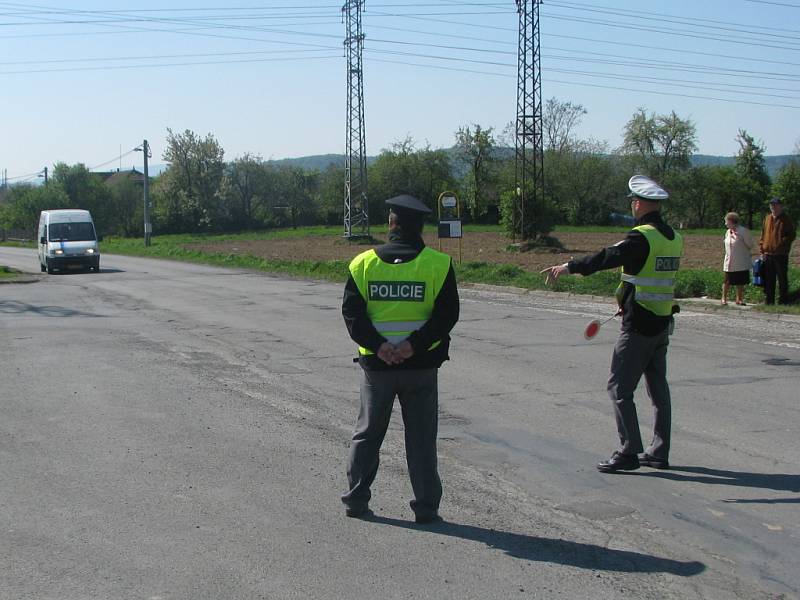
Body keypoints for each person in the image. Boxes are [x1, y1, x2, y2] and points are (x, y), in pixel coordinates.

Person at [541, 175, 683, 473]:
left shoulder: (641, 236)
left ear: (641, 203)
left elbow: (606, 257)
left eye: (634, 200)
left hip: (639, 326)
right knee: (658, 390)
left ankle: (629, 451)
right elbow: (647, 278)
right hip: (661, 322)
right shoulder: (673, 237)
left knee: (619, 388)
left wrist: (568, 267)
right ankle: (659, 452)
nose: (633, 204)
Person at [341, 195, 459, 523]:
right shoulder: (439, 264)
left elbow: (352, 314)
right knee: (421, 439)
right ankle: (426, 509)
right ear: (420, 227)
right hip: (420, 368)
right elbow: (447, 315)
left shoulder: (362, 263)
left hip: (377, 369)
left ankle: (356, 501)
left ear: (391, 224)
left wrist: (379, 346)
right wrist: (413, 346)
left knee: (367, 435)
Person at [759, 198, 796, 305]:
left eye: (775, 205)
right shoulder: (767, 218)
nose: (773, 207)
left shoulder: (786, 219)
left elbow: (791, 235)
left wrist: (781, 243)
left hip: (781, 255)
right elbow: (762, 235)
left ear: (781, 206)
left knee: (782, 279)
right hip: (768, 254)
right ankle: (769, 301)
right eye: (771, 205)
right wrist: (762, 251)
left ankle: (783, 301)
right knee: (769, 280)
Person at [721, 212, 754, 306]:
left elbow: (750, 244)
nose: (725, 223)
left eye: (726, 221)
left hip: (741, 260)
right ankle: (724, 298)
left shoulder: (743, 231)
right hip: (729, 261)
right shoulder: (728, 232)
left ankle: (739, 299)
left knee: (740, 281)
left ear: (731, 221)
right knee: (727, 280)